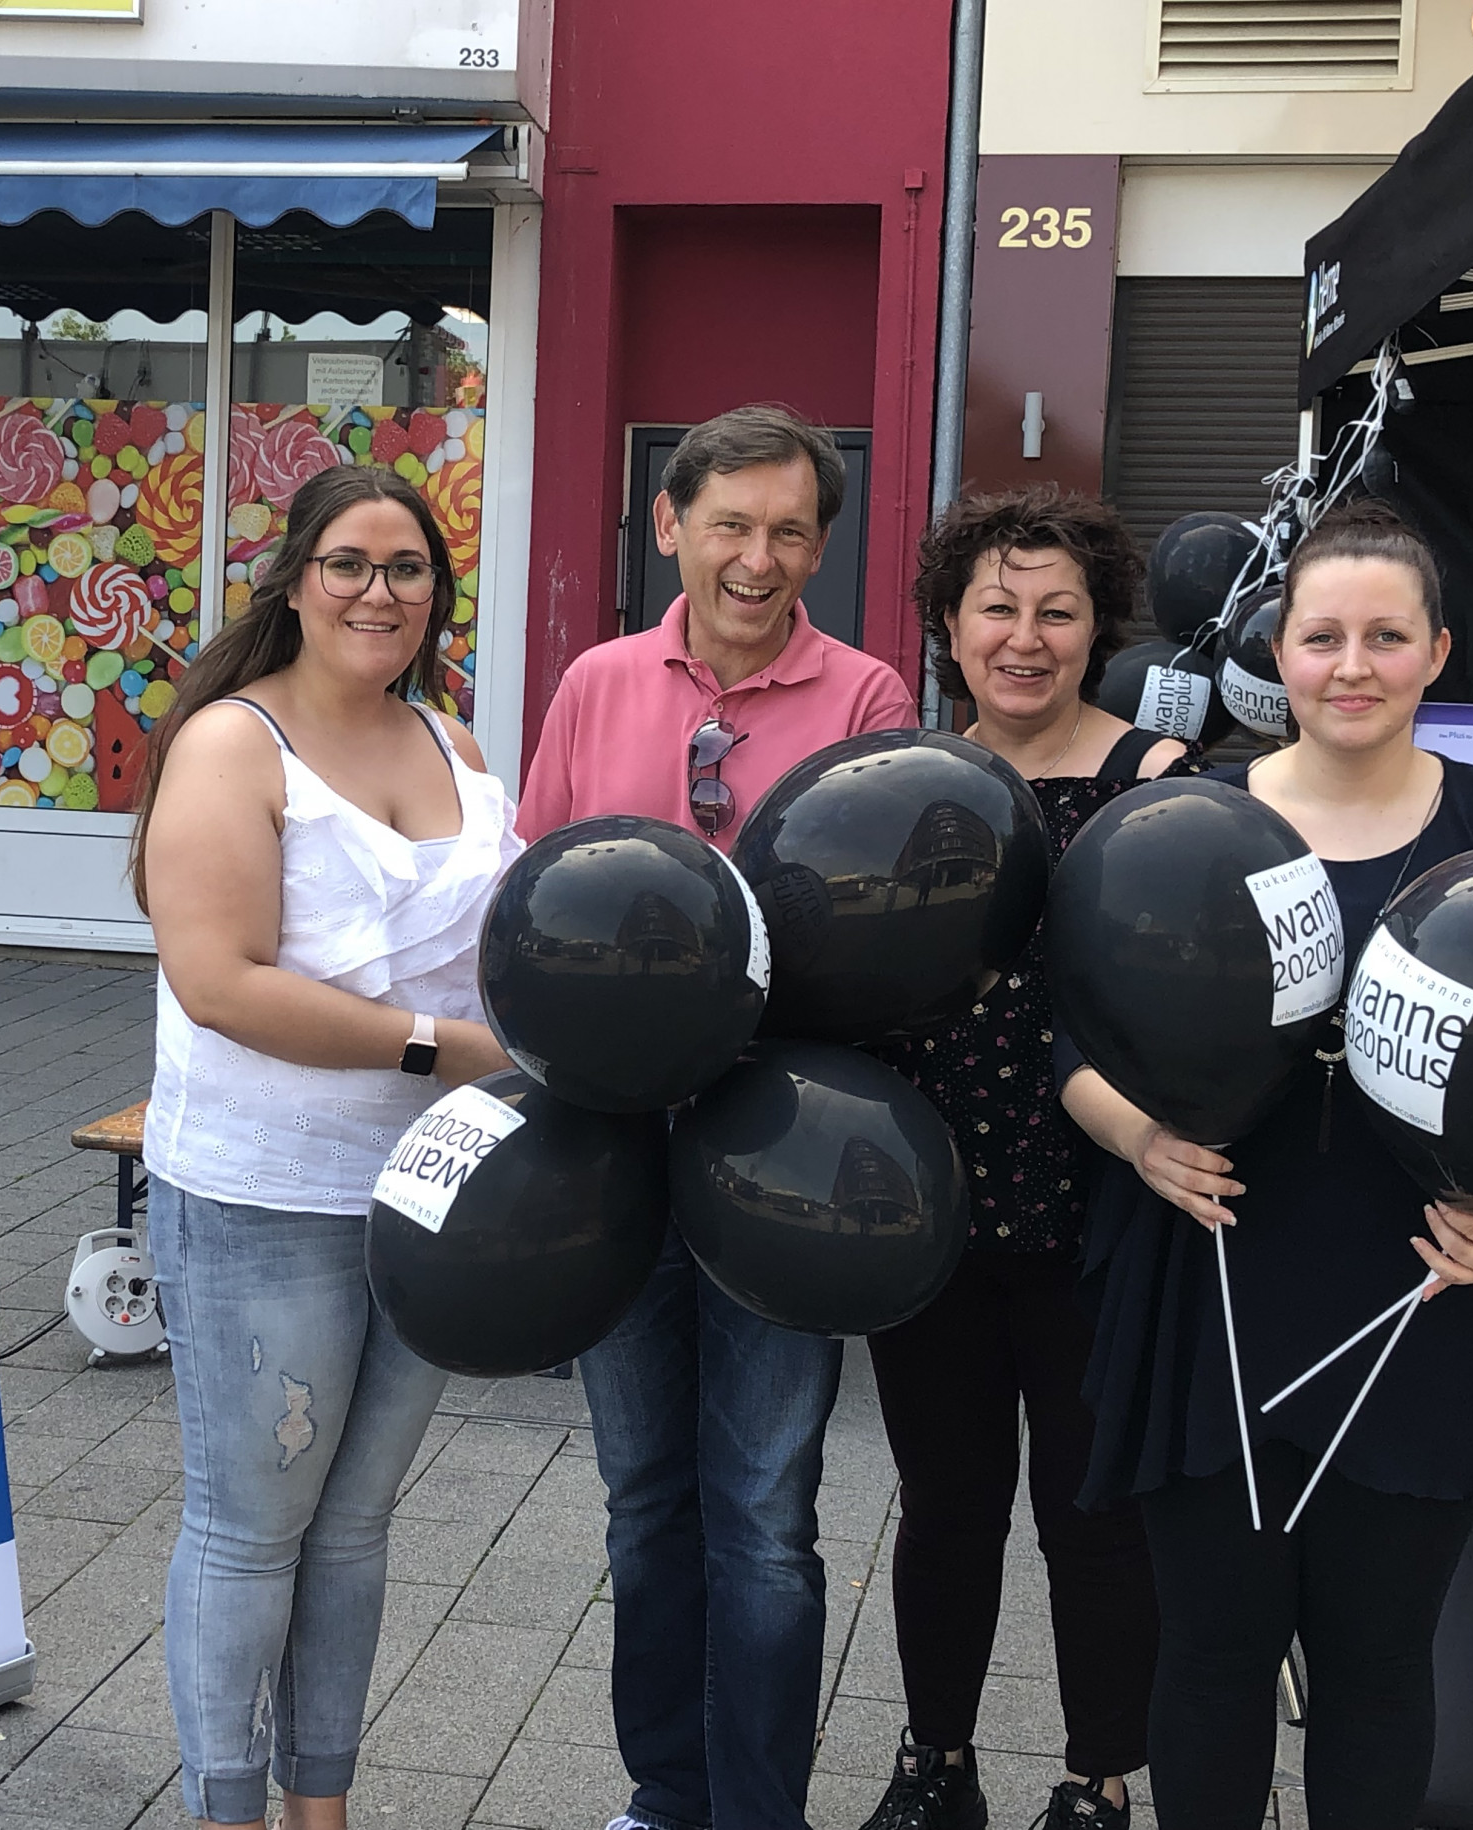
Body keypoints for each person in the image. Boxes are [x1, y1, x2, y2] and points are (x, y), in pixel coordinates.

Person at [1060, 500, 1473, 1830]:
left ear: (1436, 653)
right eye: (1322, 636)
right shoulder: (1192, 817)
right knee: (1216, 1653)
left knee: (1376, 1662)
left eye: (1386, 636)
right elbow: (1064, 1029)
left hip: (1429, 1303)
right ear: (1276, 653)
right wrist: (1140, 1137)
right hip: (1218, 1294)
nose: (1352, 664)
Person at [517, 403, 918, 1830]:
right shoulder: (597, 683)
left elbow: (887, 934)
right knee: (642, 1494)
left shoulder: (869, 699)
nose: (760, 558)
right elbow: (536, 900)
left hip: (783, 1150)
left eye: (791, 529)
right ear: (672, 520)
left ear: (822, 539)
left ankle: (759, 1809)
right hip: (612, 1145)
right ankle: (665, 1791)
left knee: (763, 1510)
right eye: (732, 523)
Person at [133, 464, 520, 1830]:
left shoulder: (457, 744)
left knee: (354, 1528)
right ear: (296, 579)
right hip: (262, 1194)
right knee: (253, 1528)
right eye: (351, 562)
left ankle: (322, 1807)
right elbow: (220, 980)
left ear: (435, 594)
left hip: (429, 1195)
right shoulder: (236, 745)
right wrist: (450, 1047)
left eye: (407, 568)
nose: (379, 590)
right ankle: (225, 1809)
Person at [859, 491, 1184, 1830]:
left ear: (1099, 622)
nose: (1026, 636)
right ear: (947, 623)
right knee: (943, 1507)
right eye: (997, 605)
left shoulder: (1160, 782)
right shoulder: (909, 784)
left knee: (1093, 1514)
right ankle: (937, 1766)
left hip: (1101, 1207)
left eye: (1058, 609)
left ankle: (1098, 1775)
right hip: (933, 1207)